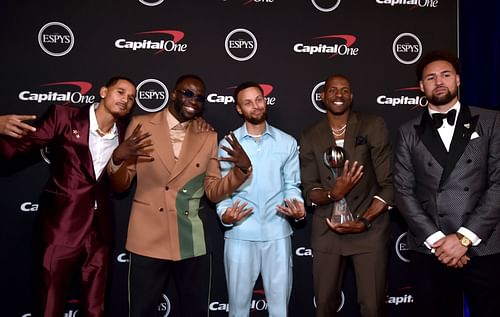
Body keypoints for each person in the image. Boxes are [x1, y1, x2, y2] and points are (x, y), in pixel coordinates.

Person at [107, 74, 253, 317]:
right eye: (188, 93)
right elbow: (121, 186)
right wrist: (118, 158)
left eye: (199, 97)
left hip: (190, 240)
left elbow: (213, 191)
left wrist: (242, 171)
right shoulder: (141, 124)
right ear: (173, 94)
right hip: (147, 237)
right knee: (140, 311)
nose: (193, 100)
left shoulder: (207, 135)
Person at [0, 76, 137, 316]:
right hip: (61, 227)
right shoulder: (63, 116)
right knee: (49, 304)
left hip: (100, 232)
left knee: (95, 307)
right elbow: (20, 146)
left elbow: (120, 184)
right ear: (104, 92)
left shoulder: (126, 132)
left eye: (131, 97)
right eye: (120, 92)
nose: (126, 100)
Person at [394, 50, 500, 317]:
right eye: (430, 77)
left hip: (483, 245)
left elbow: (498, 184)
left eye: (445, 75)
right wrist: (441, 242)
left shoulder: (491, 121)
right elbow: (403, 191)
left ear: (458, 80)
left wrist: (464, 238)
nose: (438, 81)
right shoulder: (408, 131)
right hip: (432, 249)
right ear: (421, 86)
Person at [300, 74, 393, 317]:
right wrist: (333, 194)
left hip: (369, 229)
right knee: (324, 306)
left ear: (351, 96)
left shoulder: (372, 125)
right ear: (322, 96)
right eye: (332, 90)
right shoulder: (310, 135)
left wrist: (364, 221)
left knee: (373, 307)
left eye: (344, 90)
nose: (338, 95)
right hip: (327, 230)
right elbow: (309, 188)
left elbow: (389, 184)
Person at [216, 82, 306, 317]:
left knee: (279, 310)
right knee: (237, 309)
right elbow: (222, 191)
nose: (255, 106)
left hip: (277, 233)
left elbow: (291, 185)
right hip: (240, 234)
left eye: (259, 99)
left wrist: (297, 206)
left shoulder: (286, 142)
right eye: (248, 102)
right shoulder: (228, 144)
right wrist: (225, 214)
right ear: (238, 109)